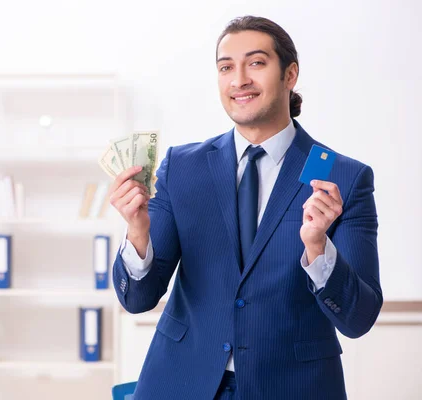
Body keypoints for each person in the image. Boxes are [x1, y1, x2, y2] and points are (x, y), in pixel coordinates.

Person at [109, 15, 382, 400]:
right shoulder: (182, 167)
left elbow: (358, 318)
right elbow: (137, 299)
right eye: (226, 67)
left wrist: (319, 249)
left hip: (292, 387)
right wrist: (137, 232)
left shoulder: (344, 177)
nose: (239, 80)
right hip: (180, 382)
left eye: (256, 63)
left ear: (290, 75)